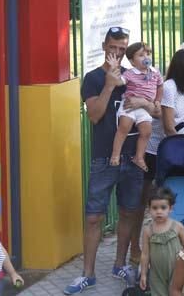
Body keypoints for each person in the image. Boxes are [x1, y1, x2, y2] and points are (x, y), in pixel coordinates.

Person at [68, 26, 150, 294]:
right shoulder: (93, 78)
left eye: (122, 49)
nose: (117, 53)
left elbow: (156, 109)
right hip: (104, 158)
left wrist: (145, 103)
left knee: (129, 211)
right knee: (94, 217)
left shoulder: (135, 75)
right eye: (113, 48)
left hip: (132, 157)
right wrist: (109, 85)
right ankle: (88, 274)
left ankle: (120, 264)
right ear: (104, 46)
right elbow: (94, 115)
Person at [110, 42, 161, 171]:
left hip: (144, 108)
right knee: (124, 128)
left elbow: (160, 86)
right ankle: (115, 155)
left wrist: (158, 101)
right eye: (141, 55)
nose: (146, 57)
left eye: (148, 54)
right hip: (129, 106)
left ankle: (139, 157)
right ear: (132, 62)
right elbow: (118, 82)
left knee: (146, 131)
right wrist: (114, 69)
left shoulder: (155, 72)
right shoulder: (130, 73)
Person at [139, 187, 184, 296]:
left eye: (163, 208)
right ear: (149, 209)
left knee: (176, 292)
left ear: (170, 208)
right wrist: (143, 274)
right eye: (155, 208)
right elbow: (145, 254)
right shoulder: (148, 230)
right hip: (156, 273)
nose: (159, 211)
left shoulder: (177, 227)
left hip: (177, 270)